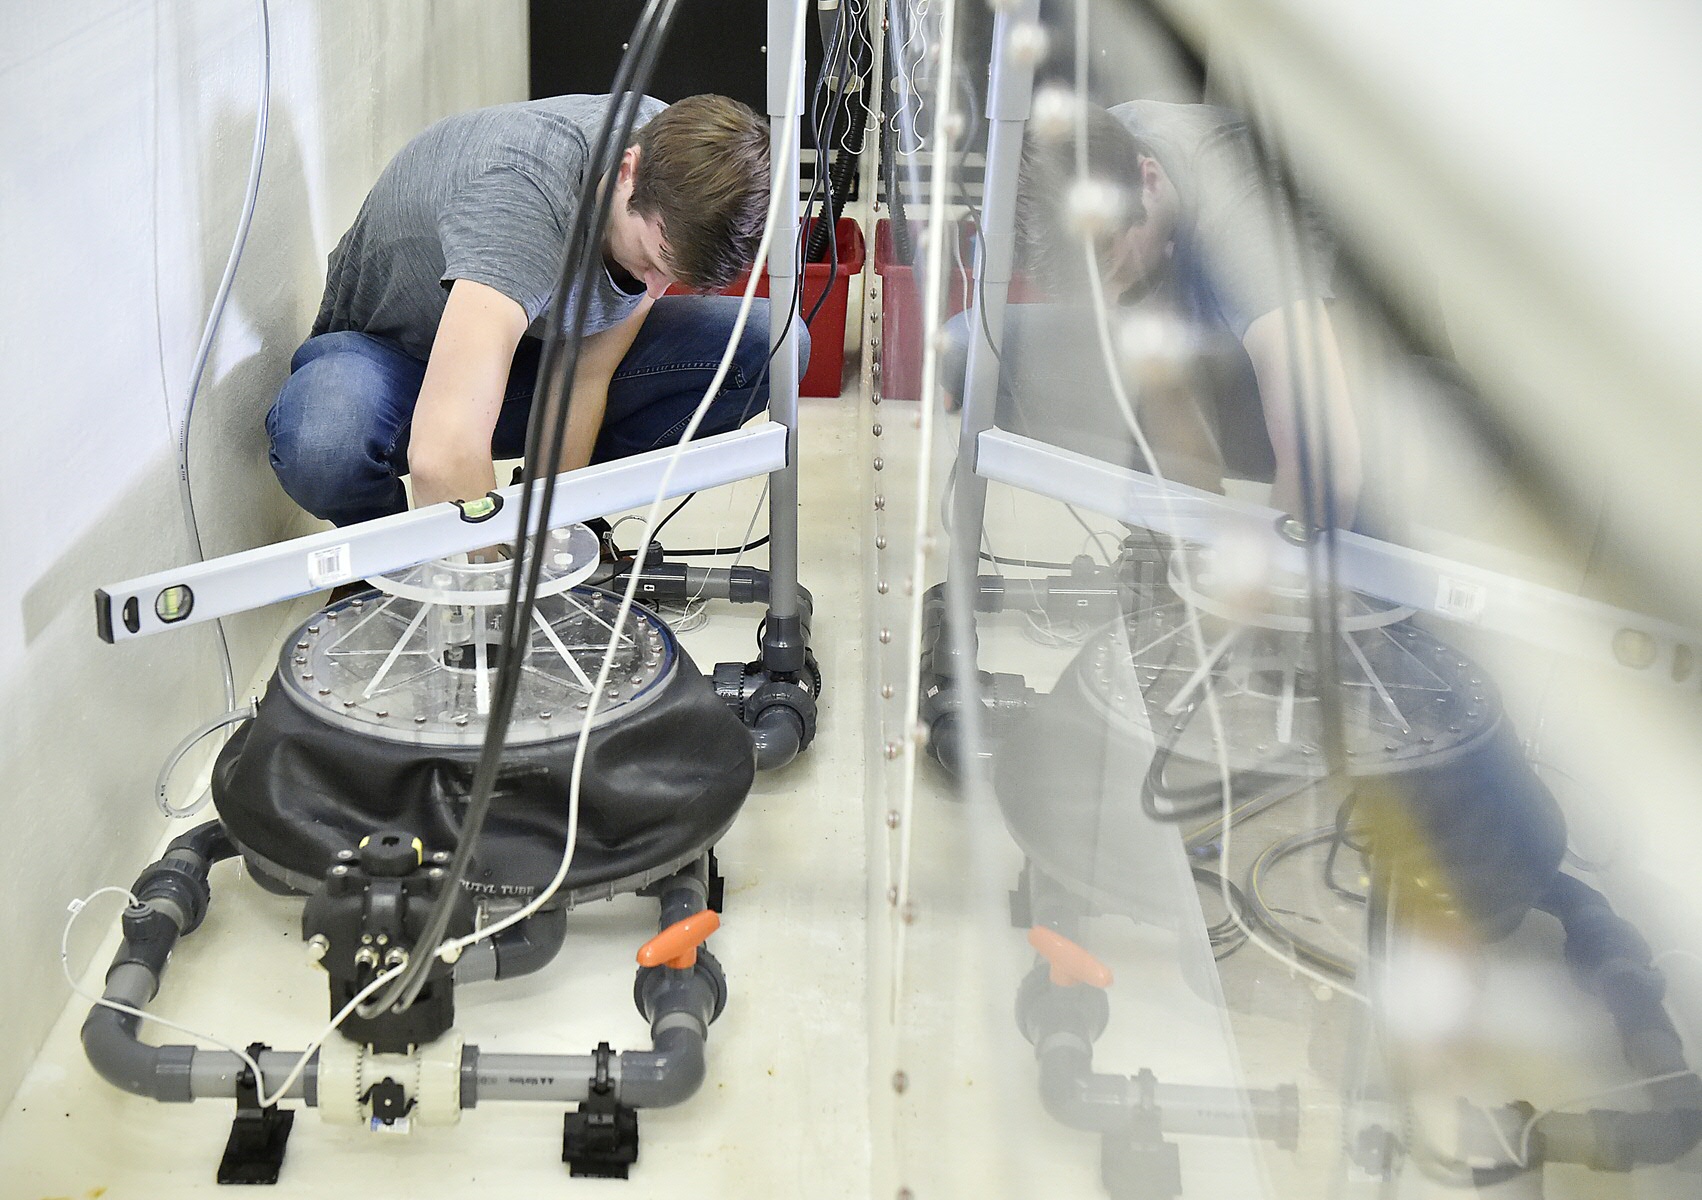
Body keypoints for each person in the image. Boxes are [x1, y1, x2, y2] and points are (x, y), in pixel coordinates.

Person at [267, 93, 805, 528]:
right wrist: (489, 587)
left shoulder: (670, 151)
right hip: (395, 366)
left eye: (675, 276)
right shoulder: (520, 209)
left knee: (774, 343)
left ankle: (550, 513)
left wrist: (552, 523)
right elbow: (442, 446)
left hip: (530, 355)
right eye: (652, 260)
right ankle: (387, 568)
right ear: (627, 172)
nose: (656, 290)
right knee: (324, 442)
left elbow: (586, 374)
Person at [952, 98, 1361, 526]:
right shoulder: (1101, 155)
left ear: (1150, 180)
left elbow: (1326, 465)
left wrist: (1266, 584)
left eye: (1110, 267)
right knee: (974, 352)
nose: (1106, 301)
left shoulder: (1246, 229)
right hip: (1214, 341)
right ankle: (1167, 547)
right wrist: (1191, 542)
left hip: (1364, 384)